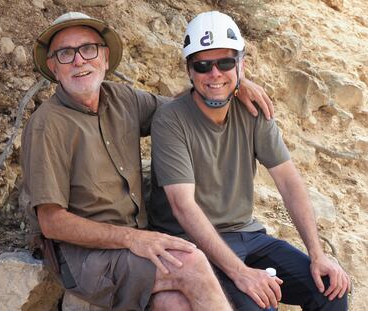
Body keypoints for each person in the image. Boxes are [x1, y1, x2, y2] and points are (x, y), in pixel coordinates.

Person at [20, 11, 273, 311]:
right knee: (190, 261)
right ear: (53, 66)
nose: (79, 61)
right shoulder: (46, 125)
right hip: (84, 257)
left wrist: (232, 85)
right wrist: (132, 239)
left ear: (104, 56)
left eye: (88, 49)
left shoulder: (121, 98)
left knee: (174, 304)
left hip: (133, 246)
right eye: (65, 54)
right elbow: (52, 223)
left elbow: (182, 112)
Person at [149, 11, 351, 311]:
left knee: (330, 291)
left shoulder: (254, 111)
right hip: (195, 245)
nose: (214, 74)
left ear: (241, 65)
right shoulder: (170, 120)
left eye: (226, 63)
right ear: (189, 70)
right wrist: (240, 273)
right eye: (203, 65)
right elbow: (183, 206)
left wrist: (318, 253)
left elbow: (288, 181)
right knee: (259, 304)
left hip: (249, 234)